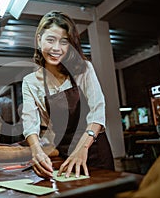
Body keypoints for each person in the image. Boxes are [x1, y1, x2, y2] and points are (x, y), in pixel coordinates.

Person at [21, 10, 114, 179]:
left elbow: (98, 111)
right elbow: (30, 123)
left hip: (94, 151)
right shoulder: (30, 82)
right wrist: (36, 151)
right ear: (39, 39)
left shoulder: (83, 69)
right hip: (65, 154)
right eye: (50, 40)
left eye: (64, 42)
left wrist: (82, 149)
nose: (56, 48)